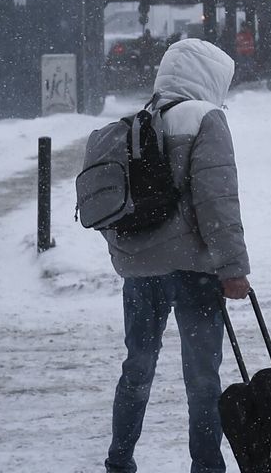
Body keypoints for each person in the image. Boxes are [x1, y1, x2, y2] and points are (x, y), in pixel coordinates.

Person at [98, 38, 251, 473]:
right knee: (203, 378)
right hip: (195, 269)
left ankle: (120, 460)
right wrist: (233, 268)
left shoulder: (137, 119)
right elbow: (216, 200)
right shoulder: (206, 118)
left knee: (137, 369)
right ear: (209, 77)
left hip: (141, 269)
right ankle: (206, 466)